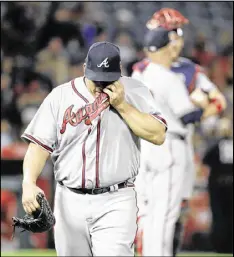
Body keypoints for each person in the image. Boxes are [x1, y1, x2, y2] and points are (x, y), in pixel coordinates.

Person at [20, 41, 167, 256]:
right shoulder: (60, 96)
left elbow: (158, 134)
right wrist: (28, 183)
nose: (100, 85)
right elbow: (38, 147)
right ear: (84, 68)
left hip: (116, 199)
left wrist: (123, 106)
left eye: (107, 79)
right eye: (96, 78)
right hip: (69, 199)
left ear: (119, 73)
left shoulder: (136, 90)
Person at [132, 8, 227, 256]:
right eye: (173, 33)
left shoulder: (182, 69)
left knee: (160, 209)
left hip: (162, 141)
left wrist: (204, 107)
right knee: (158, 209)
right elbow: (194, 112)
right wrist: (198, 104)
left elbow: (218, 101)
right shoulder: (148, 71)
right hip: (166, 141)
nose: (178, 39)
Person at [203, 117, 233, 254]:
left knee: (221, 218)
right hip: (219, 188)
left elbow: (207, 160)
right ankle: (222, 245)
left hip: (219, 186)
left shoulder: (216, 145)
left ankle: (222, 245)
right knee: (221, 218)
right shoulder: (216, 144)